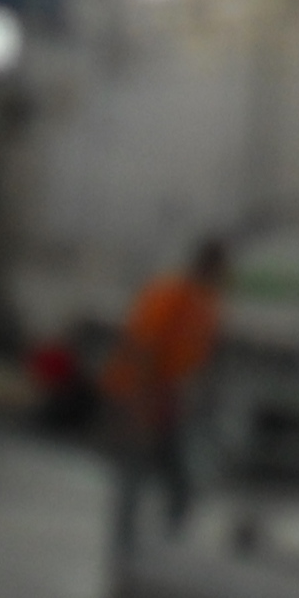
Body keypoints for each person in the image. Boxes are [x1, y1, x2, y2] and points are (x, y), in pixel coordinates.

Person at [105, 238, 228, 566]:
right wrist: (141, 401)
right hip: (141, 394)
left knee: (177, 484)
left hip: (167, 400)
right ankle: (124, 555)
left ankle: (154, 553)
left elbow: (200, 357)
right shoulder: (171, 296)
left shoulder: (206, 304)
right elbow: (144, 345)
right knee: (135, 476)